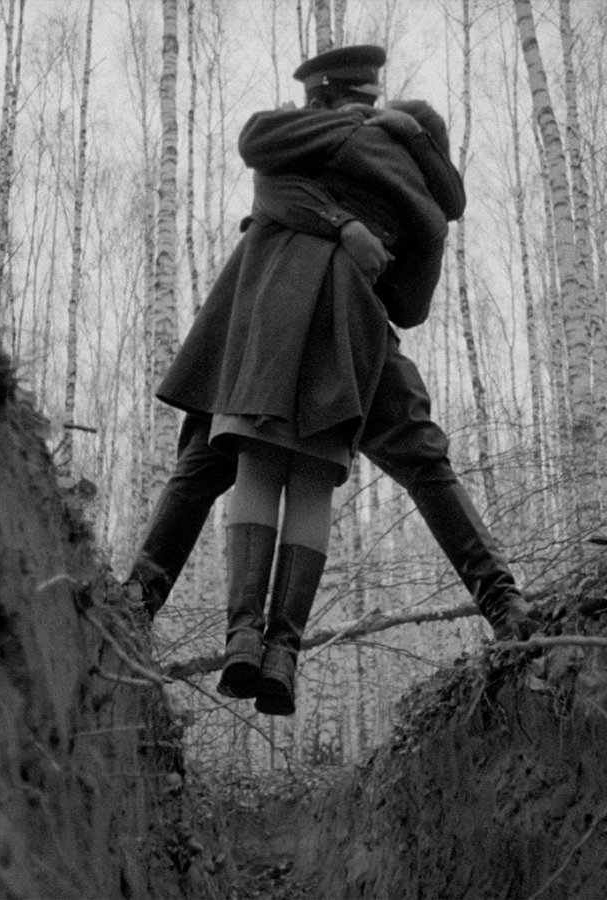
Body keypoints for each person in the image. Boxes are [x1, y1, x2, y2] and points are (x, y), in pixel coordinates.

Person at [133, 46, 541, 709]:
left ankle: (140, 609)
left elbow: (258, 150)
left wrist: (323, 216)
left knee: (205, 457)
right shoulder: (419, 186)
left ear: (324, 98)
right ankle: (504, 604)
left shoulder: (317, 138)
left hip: (269, 308)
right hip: (355, 330)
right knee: (422, 461)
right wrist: (357, 231)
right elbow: (411, 303)